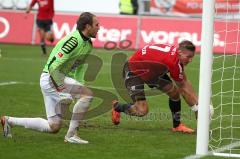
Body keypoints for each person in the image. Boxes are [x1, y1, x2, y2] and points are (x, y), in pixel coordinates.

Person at [1, 12, 100, 144]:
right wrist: (62, 88)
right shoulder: (73, 41)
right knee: (87, 95)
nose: (99, 27)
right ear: (87, 26)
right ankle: (71, 135)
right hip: (51, 78)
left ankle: (9, 121)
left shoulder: (88, 44)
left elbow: (80, 68)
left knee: (53, 127)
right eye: (97, 24)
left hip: (58, 79)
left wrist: (79, 87)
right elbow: (53, 67)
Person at [112, 40, 199, 133]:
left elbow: (184, 82)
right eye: (188, 57)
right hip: (134, 71)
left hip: (153, 72)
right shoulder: (173, 62)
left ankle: (177, 126)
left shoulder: (176, 56)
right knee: (142, 111)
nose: (190, 60)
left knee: (174, 93)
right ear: (180, 52)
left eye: (192, 57)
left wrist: (198, 104)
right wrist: (197, 108)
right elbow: (184, 88)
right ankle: (118, 107)